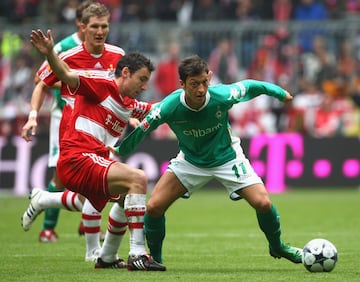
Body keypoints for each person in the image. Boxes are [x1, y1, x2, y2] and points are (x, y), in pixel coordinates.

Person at [111, 55, 303, 266]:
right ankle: (156, 259)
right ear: (182, 84)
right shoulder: (169, 106)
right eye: (194, 84)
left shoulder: (221, 95)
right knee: (154, 207)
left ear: (209, 78)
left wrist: (279, 93)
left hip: (227, 157)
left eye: (204, 82)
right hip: (190, 162)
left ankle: (277, 246)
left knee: (263, 203)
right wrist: (122, 148)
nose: (201, 90)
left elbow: (250, 86)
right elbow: (142, 129)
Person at [22, 27, 166, 271]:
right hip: (77, 158)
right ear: (126, 72)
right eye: (142, 80)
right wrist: (49, 54)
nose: (144, 86)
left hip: (94, 161)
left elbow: (158, 109)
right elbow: (66, 75)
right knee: (138, 178)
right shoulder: (99, 83)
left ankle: (107, 257)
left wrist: (189, 99)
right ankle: (138, 253)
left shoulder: (129, 103)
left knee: (125, 199)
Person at [21, 0, 94, 244]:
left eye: (102, 25)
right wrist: (74, 83)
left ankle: (88, 224)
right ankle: (47, 229)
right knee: (62, 177)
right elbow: (40, 79)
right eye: (91, 24)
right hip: (65, 119)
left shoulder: (104, 51)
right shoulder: (63, 47)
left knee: (98, 173)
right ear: (80, 23)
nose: (97, 30)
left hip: (93, 121)